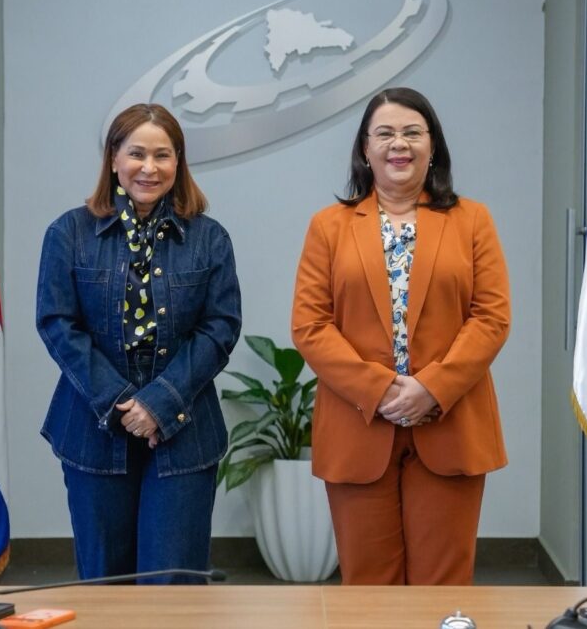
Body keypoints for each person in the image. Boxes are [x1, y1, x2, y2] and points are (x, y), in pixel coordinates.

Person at [291, 87, 511, 585]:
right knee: (368, 588)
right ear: (365, 148)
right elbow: (310, 325)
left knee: (442, 585)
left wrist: (432, 387)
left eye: (413, 132)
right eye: (385, 133)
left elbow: (492, 317)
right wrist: (381, 390)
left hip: (450, 422)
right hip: (358, 425)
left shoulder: (472, 220)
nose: (399, 144)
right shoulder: (328, 226)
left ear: (433, 146)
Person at [36, 104, 241, 583]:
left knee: (172, 585)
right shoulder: (69, 232)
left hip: (186, 433)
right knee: (105, 581)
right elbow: (57, 324)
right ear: (113, 159)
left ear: (178, 162)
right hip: (93, 429)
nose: (149, 168)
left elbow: (220, 327)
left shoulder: (209, 238)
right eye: (136, 154)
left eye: (162, 155)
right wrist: (123, 403)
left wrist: (158, 404)